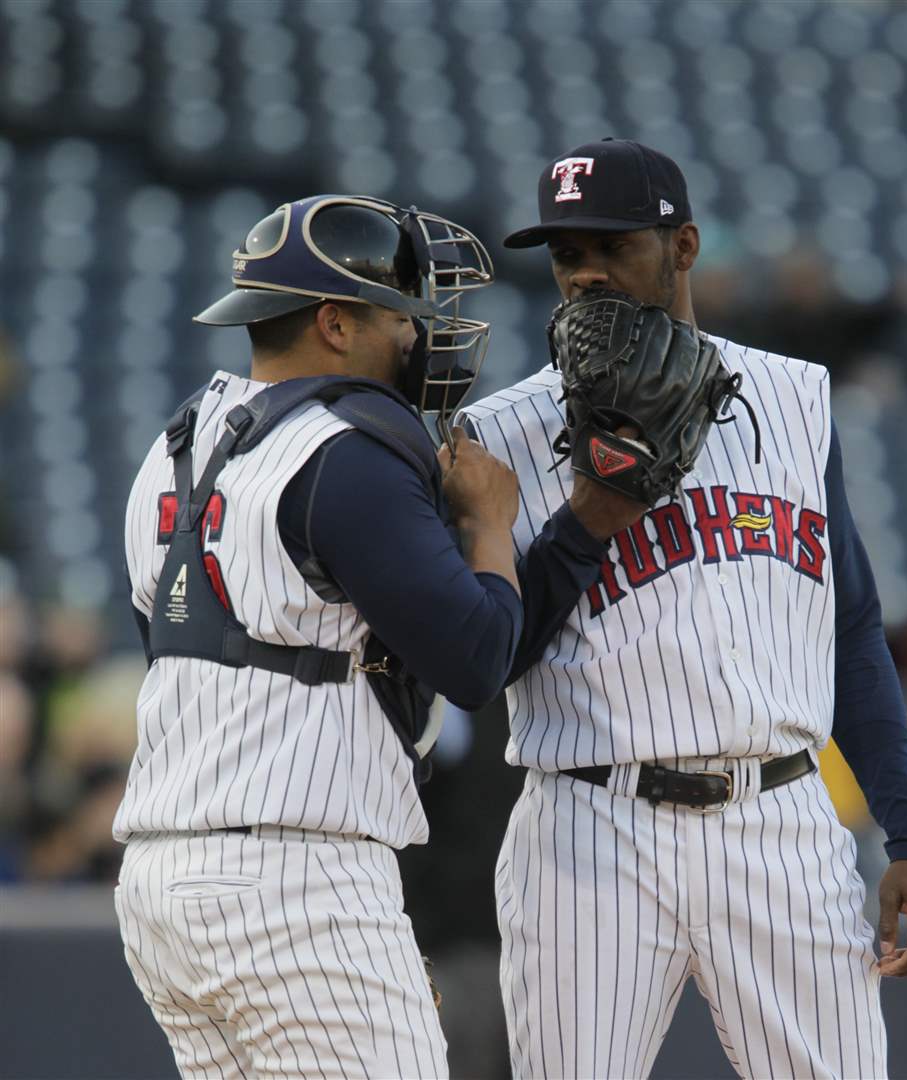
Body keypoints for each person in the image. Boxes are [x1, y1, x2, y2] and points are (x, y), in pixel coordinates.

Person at [463, 139, 907, 1080]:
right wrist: (590, 518)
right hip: (588, 825)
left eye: (613, 245)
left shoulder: (796, 396)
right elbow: (487, 660)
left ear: (683, 248)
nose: (586, 273)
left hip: (780, 816)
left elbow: (847, 624)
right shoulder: (502, 434)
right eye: (567, 254)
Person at [112, 194, 608, 1079]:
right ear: (335, 323)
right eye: (401, 317)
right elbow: (476, 659)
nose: (420, 337)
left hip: (162, 885)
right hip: (295, 882)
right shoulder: (347, 446)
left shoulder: (177, 443)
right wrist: (492, 525)